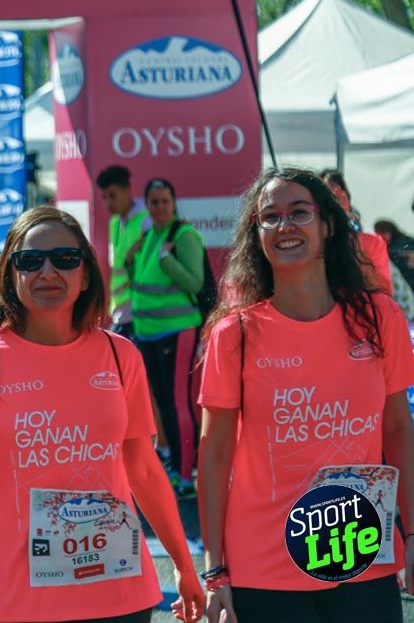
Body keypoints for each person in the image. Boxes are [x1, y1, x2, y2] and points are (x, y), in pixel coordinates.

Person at [0, 205, 204, 623]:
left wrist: (185, 565)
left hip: (118, 593)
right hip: (20, 600)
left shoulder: (119, 354)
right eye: (30, 260)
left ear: (86, 273)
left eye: (65, 259)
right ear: (10, 273)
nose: (48, 272)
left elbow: (144, 470)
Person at [198, 168, 414, 622]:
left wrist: (412, 533)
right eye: (269, 217)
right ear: (256, 235)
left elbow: (397, 430)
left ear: (328, 224)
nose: (285, 226)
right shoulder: (233, 334)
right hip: (265, 570)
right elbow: (214, 456)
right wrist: (214, 572)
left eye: (299, 212)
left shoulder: (381, 319)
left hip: (362, 557)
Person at [127, 178, 205, 498]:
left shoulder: (183, 235)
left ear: (174, 203)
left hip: (177, 329)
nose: (159, 208)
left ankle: (186, 475)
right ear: (146, 205)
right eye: (154, 202)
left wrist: (166, 260)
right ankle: (175, 467)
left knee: (177, 402)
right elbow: (140, 283)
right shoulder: (149, 236)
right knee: (159, 402)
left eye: (164, 201)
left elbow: (196, 282)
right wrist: (132, 260)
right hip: (147, 333)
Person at [96, 165, 151, 339]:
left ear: (127, 190)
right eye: (104, 197)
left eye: (112, 196)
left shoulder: (147, 220)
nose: (108, 203)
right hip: (120, 314)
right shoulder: (114, 222)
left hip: (141, 314)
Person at [320, 169, 392, 294]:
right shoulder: (311, 243)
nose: (336, 204)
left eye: (340, 196)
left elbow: (383, 290)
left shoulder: (372, 243)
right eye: (329, 197)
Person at [373, 219, 414, 291]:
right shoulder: (407, 240)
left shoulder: (398, 247)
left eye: (381, 233)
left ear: (389, 232)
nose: (379, 237)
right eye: (377, 234)